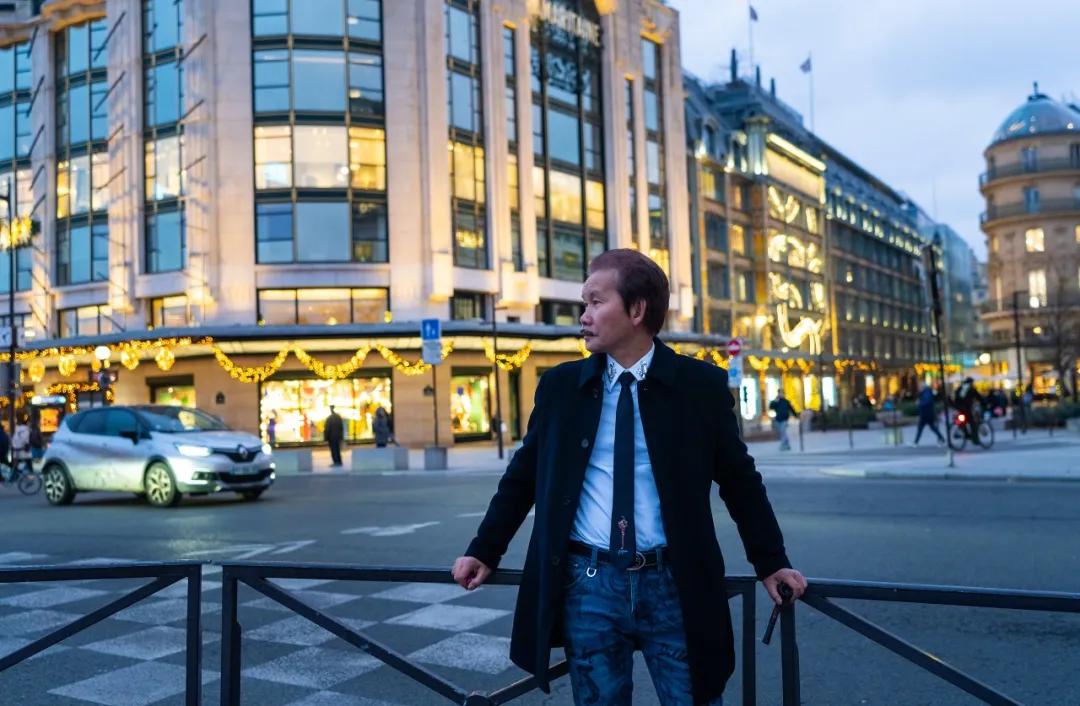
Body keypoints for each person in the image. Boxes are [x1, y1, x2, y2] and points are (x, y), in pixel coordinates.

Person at [451, 249, 807, 706]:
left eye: (596, 302)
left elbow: (740, 481)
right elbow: (523, 474)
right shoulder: (561, 387)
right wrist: (485, 548)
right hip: (588, 584)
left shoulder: (699, 387)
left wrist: (771, 560)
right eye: (584, 303)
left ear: (637, 310)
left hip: (674, 583)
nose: (583, 316)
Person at [912, 382, 944, 446]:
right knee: (931, 427)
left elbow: (927, 402)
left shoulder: (926, 392)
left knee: (923, 428)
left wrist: (919, 403)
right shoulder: (926, 392)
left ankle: (915, 442)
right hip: (927, 413)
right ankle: (941, 438)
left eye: (920, 387)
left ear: (922, 387)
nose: (919, 388)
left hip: (926, 414)